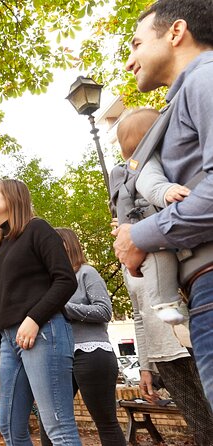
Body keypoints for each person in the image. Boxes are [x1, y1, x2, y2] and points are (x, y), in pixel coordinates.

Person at [113, 0, 213, 408]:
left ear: (175, 32)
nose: (130, 61)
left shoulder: (205, 79)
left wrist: (140, 234)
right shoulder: (188, 96)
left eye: (136, 44)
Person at [112, 109, 213, 445]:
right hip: (165, 347)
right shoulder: (134, 247)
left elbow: (157, 187)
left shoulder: (159, 179)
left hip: (189, 336)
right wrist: (144, 365)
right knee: (201, 425)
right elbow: (139, 315)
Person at [0, 179, 81, 446]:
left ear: (12, 198)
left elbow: (65, 280)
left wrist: (34, 318)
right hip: (8, 341)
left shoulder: (38, 230)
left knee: (58, 427)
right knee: (9, 427)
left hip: (43, 334)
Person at [37, 228, 125, 446]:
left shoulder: (86, 273)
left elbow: (104, 311)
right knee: (50, 424)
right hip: (61, 357)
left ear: (67, 245)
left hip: (92, 353)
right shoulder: (51, 283)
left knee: (105, 422)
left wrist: (63, 308)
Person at [114, 108, 189, 325]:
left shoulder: (135, 166)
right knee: (160, 260)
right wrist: (166, 192)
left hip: (154, 228)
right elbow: (150, 184)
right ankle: (164, 304)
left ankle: (171, 304)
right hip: (151, 231)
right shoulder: (146, 162)